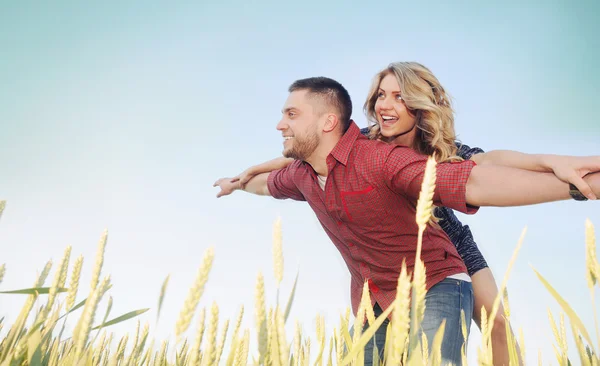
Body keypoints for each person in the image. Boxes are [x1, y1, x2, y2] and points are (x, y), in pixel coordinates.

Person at [214, 73, 600, 365]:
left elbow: (485, 167)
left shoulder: (433, 148)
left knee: (495, 320)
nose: (386, 104)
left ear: (419, 105)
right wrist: (245, 175)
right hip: (387, 267)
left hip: (442, 235)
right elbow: (296, 158)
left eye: (399, 96)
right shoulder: (361, 142)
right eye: (381, 94)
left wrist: (554, 165)